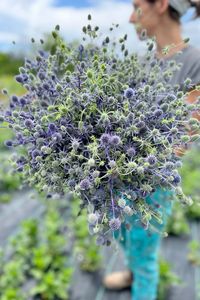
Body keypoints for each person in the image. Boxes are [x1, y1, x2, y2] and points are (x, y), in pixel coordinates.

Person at [103, 1, 200, 300]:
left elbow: (185, 136)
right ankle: (132, 270)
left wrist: (138, 161)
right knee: (121, 232)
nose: (131, 17)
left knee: (145, 252)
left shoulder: (194, 61)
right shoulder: (142, 62)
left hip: (154, 181)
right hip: (118, 173)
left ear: (160, 5)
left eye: (136, 6)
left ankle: (140, 279)